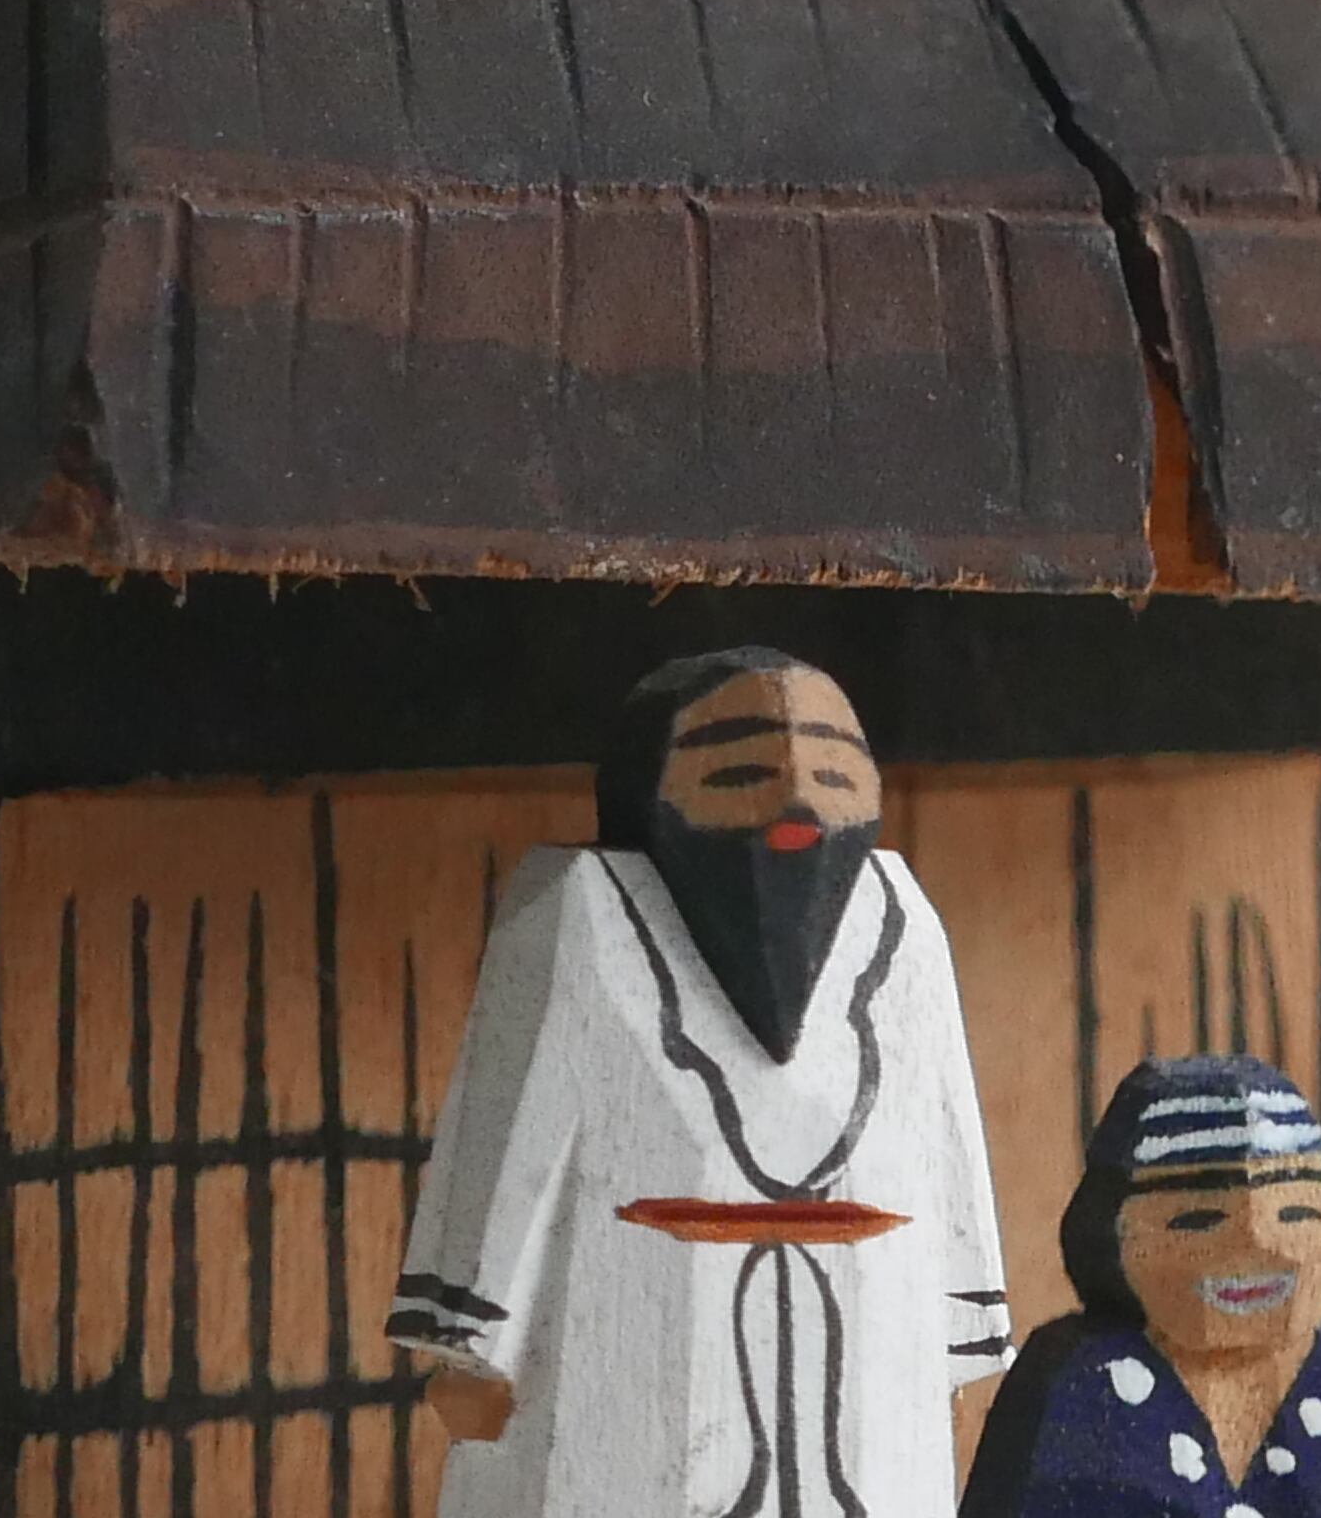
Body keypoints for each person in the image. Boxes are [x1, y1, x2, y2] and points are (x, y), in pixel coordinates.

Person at [393, 648, 1009, 1518]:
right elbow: (510, 1141)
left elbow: (947, 1142)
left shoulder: (904, 927)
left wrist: (956, 1332)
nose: (798, 798)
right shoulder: (575, 914)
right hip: (632, 1340)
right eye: (740, 772)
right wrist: (469, 1340)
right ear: (650, 793)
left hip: (873, 1350)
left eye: (836, 771)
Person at [960, 1057, 1321, 1518]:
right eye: (1198, 1220)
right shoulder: (1075, 1380)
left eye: (1297, 1215)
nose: (1261, 1247)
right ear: (1109, 1226)